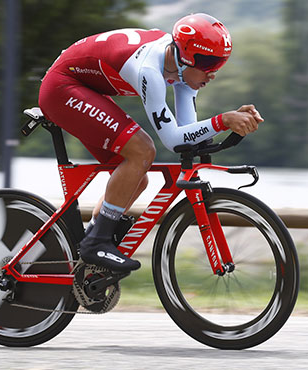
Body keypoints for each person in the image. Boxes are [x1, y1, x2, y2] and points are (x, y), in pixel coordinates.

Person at [38, 13, 264, 273]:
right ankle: (97, 243)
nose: (213, 73)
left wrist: (233, 123)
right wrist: (224, 120)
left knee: (136, 177)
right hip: (62, 88)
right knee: (142, 151)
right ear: (188, 55)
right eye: (210, 63)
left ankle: (87, 250)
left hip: (82, 86)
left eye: (220, 64)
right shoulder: (150, 70)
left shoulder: (181, 66)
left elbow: (187, 136)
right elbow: (172, 139)